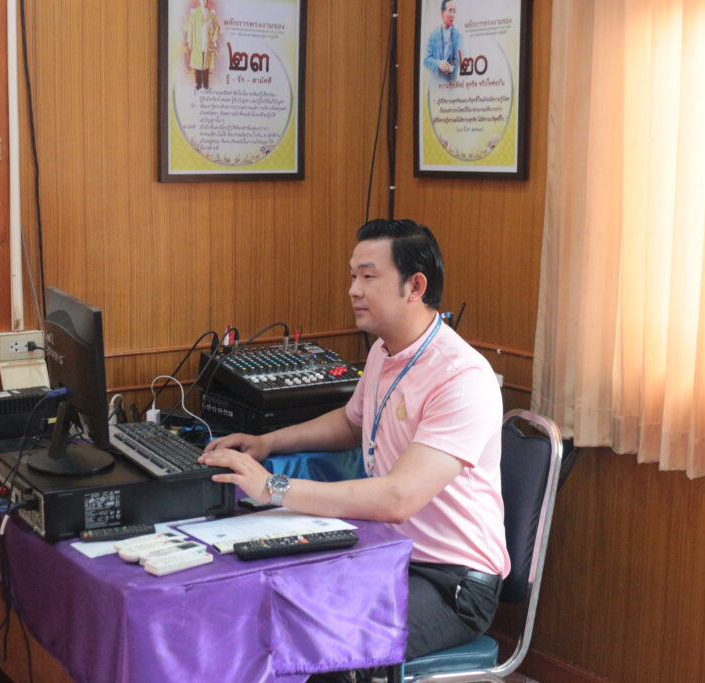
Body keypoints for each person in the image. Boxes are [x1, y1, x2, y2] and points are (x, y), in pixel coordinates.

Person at [200, 219, 509, 678]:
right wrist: (267, 442)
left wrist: (274, 487)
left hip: (451, 581)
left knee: (325, 643)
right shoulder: (385, 350)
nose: (353, 290)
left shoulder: (461, 377)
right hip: (386, 553)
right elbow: (351, 422)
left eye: (368, 276)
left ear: (415, 286)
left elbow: (398, 497)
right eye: (352, 276)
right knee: (267, 604)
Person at [423, 0, 461, 83]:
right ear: (442, 13)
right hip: (436, 84)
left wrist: (451, 67)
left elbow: (459, 59)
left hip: (452, 84)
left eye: (454, 12)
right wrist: (439, 64)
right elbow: (426, 60)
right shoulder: (433, 35)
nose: (453, 15)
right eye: (450, 11)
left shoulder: (457, 36)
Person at [185, 0, 220, 90]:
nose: (203, 2)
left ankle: (206, 84)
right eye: (202, 0)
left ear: (206, 1)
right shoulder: (194, 13)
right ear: (199, 1)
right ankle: (198, 84)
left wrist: (214, 40)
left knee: (206, 64)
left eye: (205, 0)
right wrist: (190, 41)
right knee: (198, 63)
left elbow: (216, 27)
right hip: (197, 42)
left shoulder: (211, 14)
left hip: (207, 42)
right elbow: (191, 27)